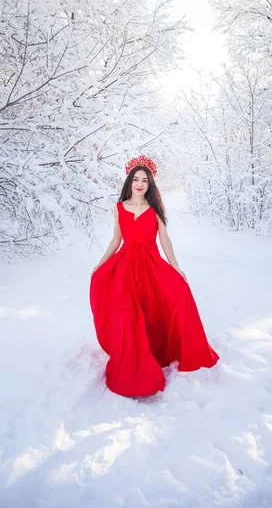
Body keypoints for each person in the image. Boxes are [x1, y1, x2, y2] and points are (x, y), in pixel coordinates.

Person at [90, 155, 219, 397]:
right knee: (129, 314)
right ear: (129, 181)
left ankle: (164, 350)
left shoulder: (155, 209)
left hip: (151, 264)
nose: (140, 184)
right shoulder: (119, 208)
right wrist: (101, 263)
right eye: (136, 179)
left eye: (145, 180)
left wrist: (176, 267)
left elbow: (165, 240)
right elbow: (116, 239)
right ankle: (134, 368)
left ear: (150, 184)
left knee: (175, 295)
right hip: (126, 266)